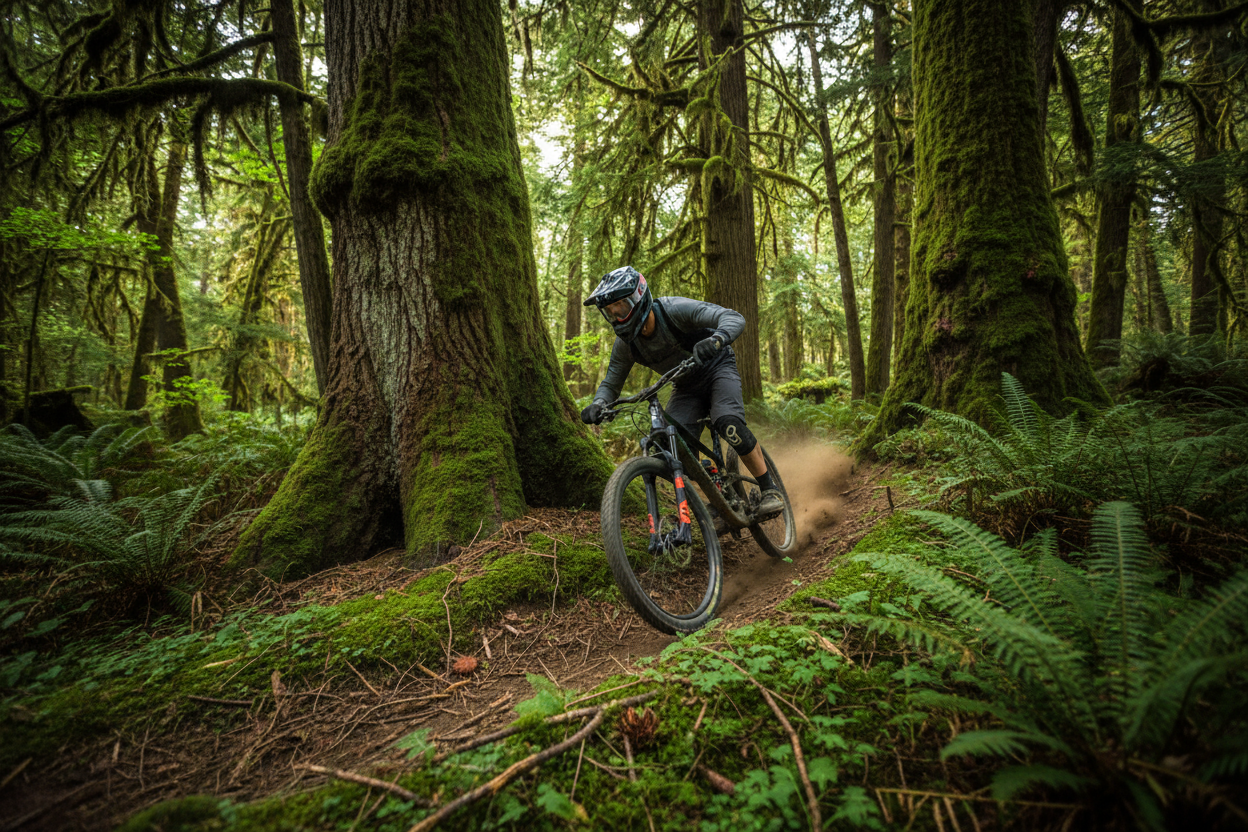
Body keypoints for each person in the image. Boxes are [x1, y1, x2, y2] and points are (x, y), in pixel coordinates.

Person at [580, 265, 784, 516]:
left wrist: (716, 339)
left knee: (728, 423)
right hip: (686, 386)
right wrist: (600, 404)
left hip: (717, 368)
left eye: (620, 308)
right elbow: (611, 383)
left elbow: (733, 317)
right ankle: (717, 492)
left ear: (637, 298)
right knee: (669, 447)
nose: (616, 317)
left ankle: (769, 488)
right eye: (610, 313)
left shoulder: (674, 310)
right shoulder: (626, 345)